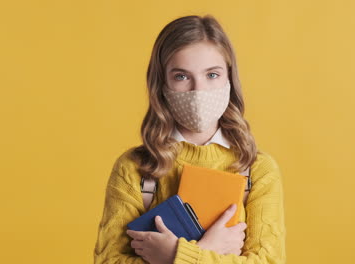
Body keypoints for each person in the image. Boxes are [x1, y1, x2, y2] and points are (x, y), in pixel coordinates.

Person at [94, 14, 286, 264]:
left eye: (212, 75)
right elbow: (109, 260)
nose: (199, 91)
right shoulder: (134, 169)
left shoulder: (258, 170)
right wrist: (207, 248)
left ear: (229, 79)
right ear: (161, 84)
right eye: (181, 76)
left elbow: (269, 261)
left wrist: (174, 255)